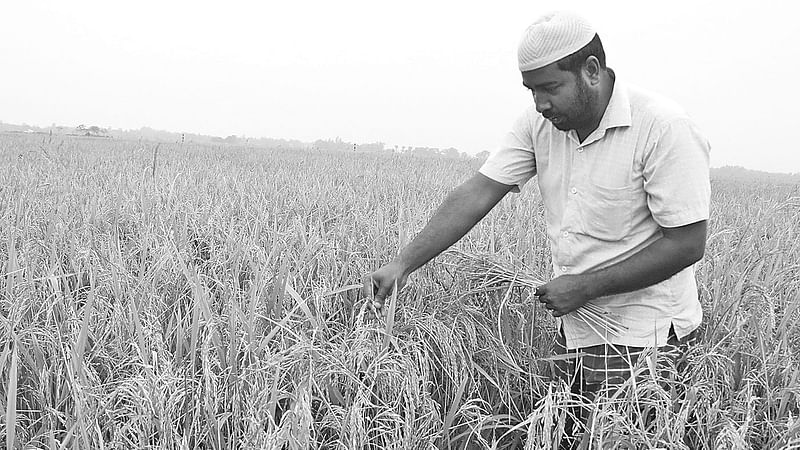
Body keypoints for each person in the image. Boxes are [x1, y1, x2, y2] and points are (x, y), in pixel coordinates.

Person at [362, 10, 710, 444]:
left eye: (550, 88)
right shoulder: (538, 125)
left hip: (647, 338)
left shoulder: (663, 127)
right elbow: (477, 193)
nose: (540, 103)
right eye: (531, 91)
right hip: (577, 328)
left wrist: (584, 287)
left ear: (591, 71)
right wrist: (403, 264)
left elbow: (687, 244)